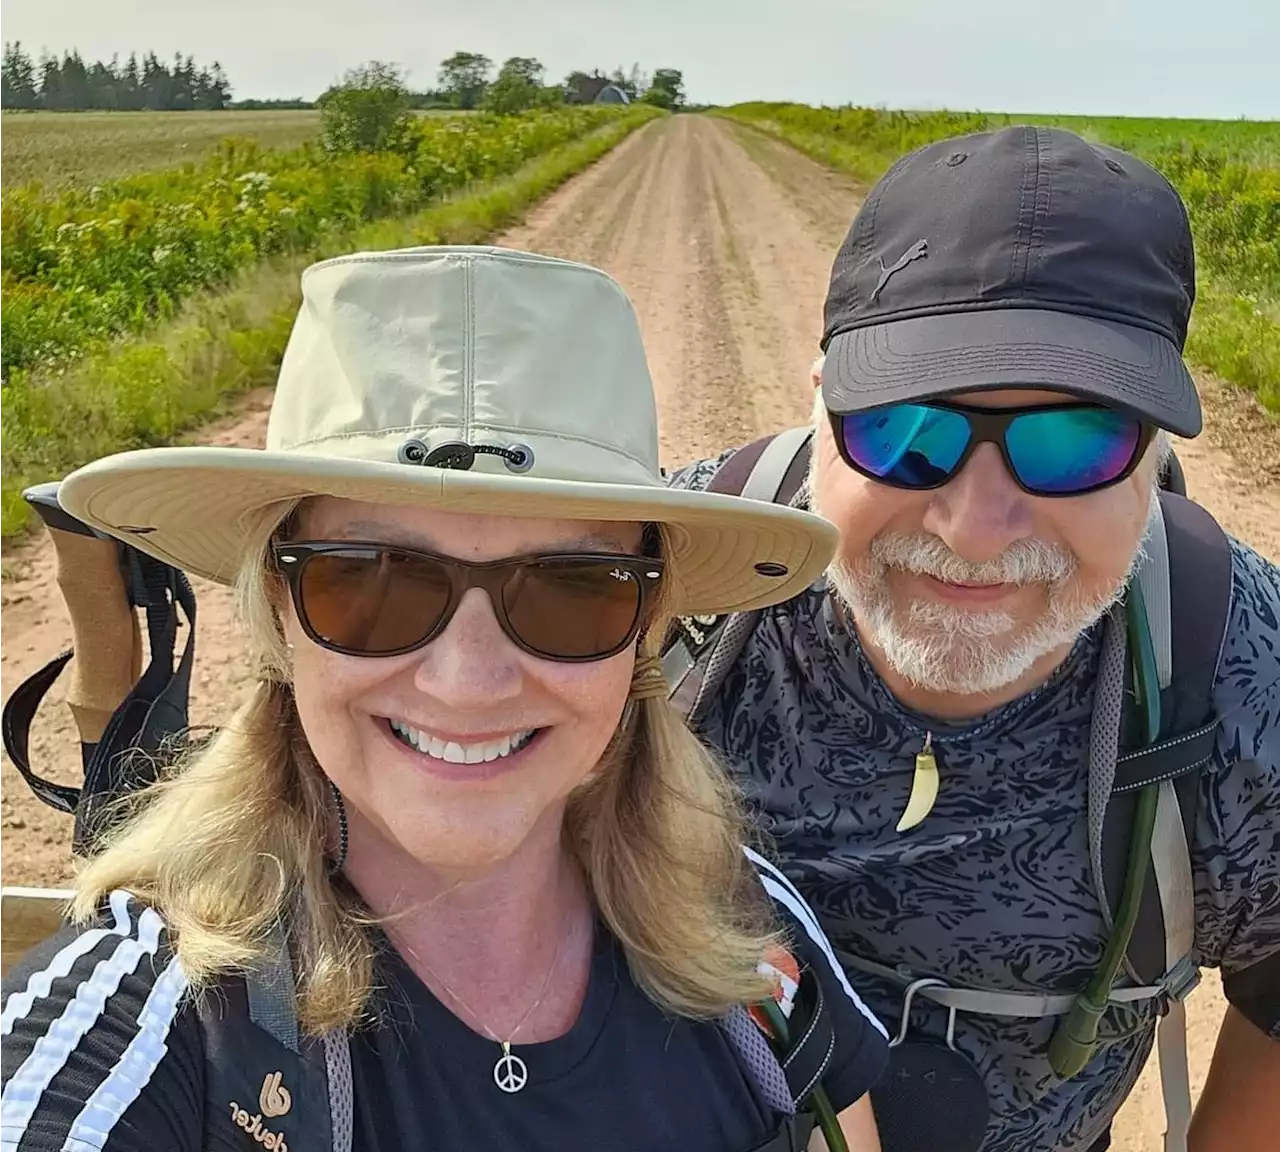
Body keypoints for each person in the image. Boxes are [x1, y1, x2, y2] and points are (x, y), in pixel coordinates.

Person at [0, 246, 889, 1151]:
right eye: (371, 583)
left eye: (572, 588)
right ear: (279, 609)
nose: (467, 679)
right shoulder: (152, 1018)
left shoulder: (744, 933)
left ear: (647, 623)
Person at [665, 127, 1280, 1152]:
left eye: (1072, 440)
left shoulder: (1239, 680)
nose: (971, 526)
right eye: (908, 430)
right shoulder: (657, 583)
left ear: (1153, 456)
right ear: (815, 398)